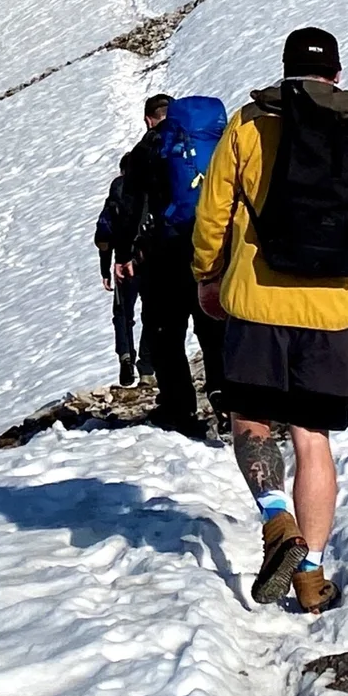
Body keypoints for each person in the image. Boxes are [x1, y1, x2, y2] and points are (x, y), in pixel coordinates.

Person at [191, 23, 348, 614]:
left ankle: (275, 522)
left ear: (284, 70)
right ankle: (312, 574)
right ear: (337, 75)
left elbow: (212, 214)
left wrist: (207, 276)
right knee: (312, 438)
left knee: (253, 419)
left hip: (257, 303)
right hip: (331, 308)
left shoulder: (247, 123)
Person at [108, 90, 229, 436]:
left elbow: (128, 207)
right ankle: (225, 398)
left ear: (149, 118)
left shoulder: (146, 150)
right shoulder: (216, 143)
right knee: (214, 329)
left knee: (166, 334)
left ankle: (178, 409)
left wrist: (123, 254)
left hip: (164, 256)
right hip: (213, 249)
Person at [95, 100, 164, 383]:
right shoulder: (153, 182)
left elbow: (104, 232)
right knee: (152, 311)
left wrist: (106, 267)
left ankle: (125, 354)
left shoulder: (118, 189)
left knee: (123, 313)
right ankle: (146, 365)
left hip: (124, 259)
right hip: (151, 256)